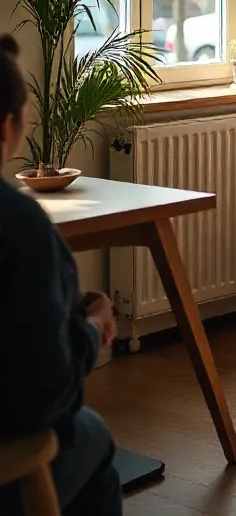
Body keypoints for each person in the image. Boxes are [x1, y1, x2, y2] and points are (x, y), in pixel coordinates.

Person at [0, 35, 122, 516]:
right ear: (8, 126)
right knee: (91, 431)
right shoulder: (19, 225)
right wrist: (91, 329)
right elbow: (44, 395)